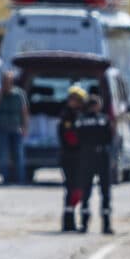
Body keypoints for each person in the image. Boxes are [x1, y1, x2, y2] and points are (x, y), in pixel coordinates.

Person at [75, 94, 115, 234]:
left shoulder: (81, 120)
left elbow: (77, 138)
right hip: (102, 157)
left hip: (86, 157)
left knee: (86, 192)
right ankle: (106, 224)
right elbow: (110, 137)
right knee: (105, 192)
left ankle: (84, 224)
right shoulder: (104, 120)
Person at [0, 70, 29, 184]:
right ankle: (5, 178)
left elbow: (24, 112)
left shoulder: (19, 94)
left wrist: (25, 127)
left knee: (19, 154)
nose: (7, 84)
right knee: (3, 154)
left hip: (16, 128)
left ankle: (20, 179)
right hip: (2, 128)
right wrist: (0, 94)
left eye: (9, 82)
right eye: (4, 81)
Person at [59, 86, 87, 232]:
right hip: (70, 156)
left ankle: (75, 220)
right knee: (71, 188)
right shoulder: (67, 116)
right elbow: (70, 137)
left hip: (80, 157)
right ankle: (68, 222)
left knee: (79, 189)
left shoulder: (81, 115)